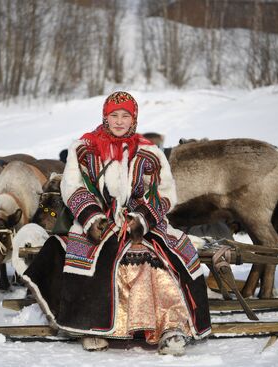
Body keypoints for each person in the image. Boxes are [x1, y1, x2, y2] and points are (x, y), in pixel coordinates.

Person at [21, 91, 211, 356]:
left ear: (133, 119)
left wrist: (141, 219)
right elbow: (73, 186)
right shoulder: (84, 149)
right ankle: (92, 328)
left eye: (125, 115)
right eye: (114, 115)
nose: (119, 121)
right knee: (92, 259)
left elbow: (164, 193)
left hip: (139, 222)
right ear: (105, 116)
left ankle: (170, 328)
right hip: (96, 221)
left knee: (156, 256)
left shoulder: (150, 153)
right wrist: (91, 218)